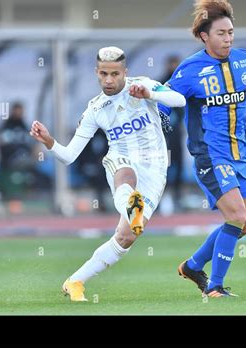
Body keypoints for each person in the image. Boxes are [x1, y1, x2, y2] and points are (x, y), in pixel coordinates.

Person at [30, 46, 186, 301]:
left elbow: (180, 100)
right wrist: (49, 142)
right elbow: (69, 156)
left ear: (125, 72)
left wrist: (150, 94)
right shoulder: (96, 109)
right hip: (121, 160)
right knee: (125, 174)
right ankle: (130, 203)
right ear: (97, 73)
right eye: (104, 74)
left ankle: (75, 281)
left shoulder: (143, 86)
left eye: (115, 74)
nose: (109, 80)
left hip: (155, 168)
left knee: (126, 237)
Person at [160, 0, 246, 297]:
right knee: (236, 217)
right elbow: (164, 102)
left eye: (231, 32)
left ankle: (192, 265)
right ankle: (214, 288)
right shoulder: (189, 69)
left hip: (241, 154)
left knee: (243, 225)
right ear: (204, 36)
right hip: (210, 155)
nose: (228, 39)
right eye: (221, 33)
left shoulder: (244, 60)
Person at [159, 55, 185, 211]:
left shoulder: (181, 83)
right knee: (165, 165)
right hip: (164, 135)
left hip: (176, 134)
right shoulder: (160, 82)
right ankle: (163, 196)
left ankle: (177, 195)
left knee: (178, 164)